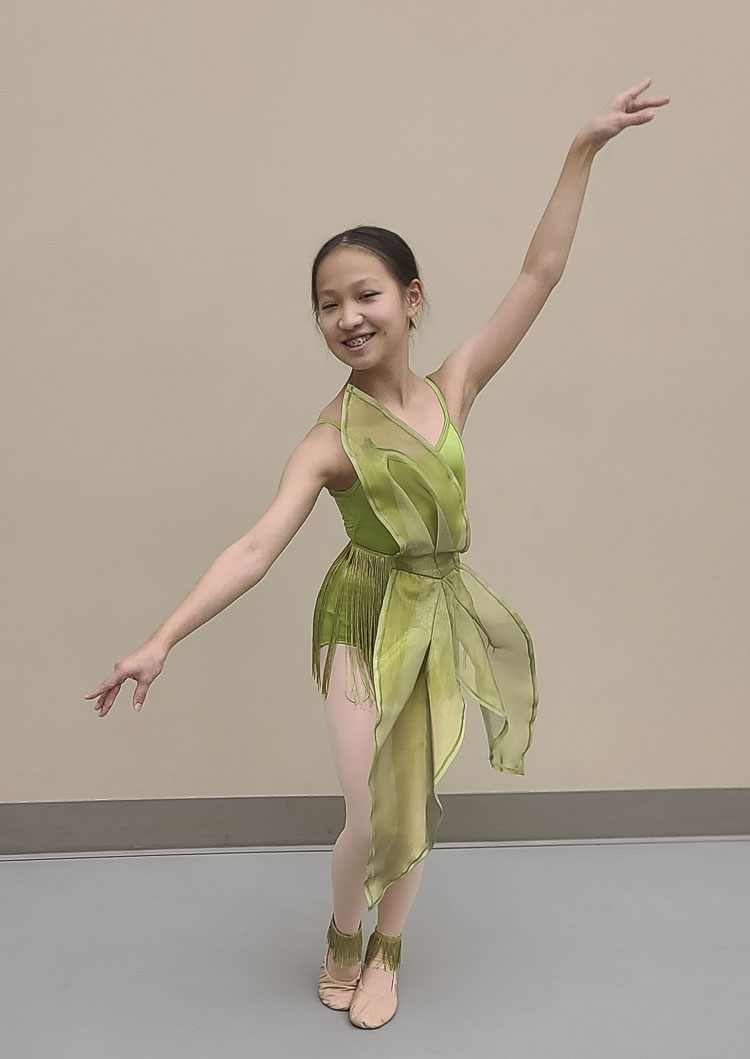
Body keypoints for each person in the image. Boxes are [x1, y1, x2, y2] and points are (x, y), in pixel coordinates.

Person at [84, 81, 670, 1031]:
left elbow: (542, 271)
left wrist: (583, 150)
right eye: (327, 305)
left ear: (410, 299)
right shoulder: (329, 437)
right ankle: (343, 928)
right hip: (363, 613)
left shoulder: (455, 386)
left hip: (438, 605)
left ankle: (386, 949)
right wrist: (161, 639)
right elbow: (255, 545)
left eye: (364, 295)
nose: (347, 316)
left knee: (414, 798)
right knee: (367, 806)